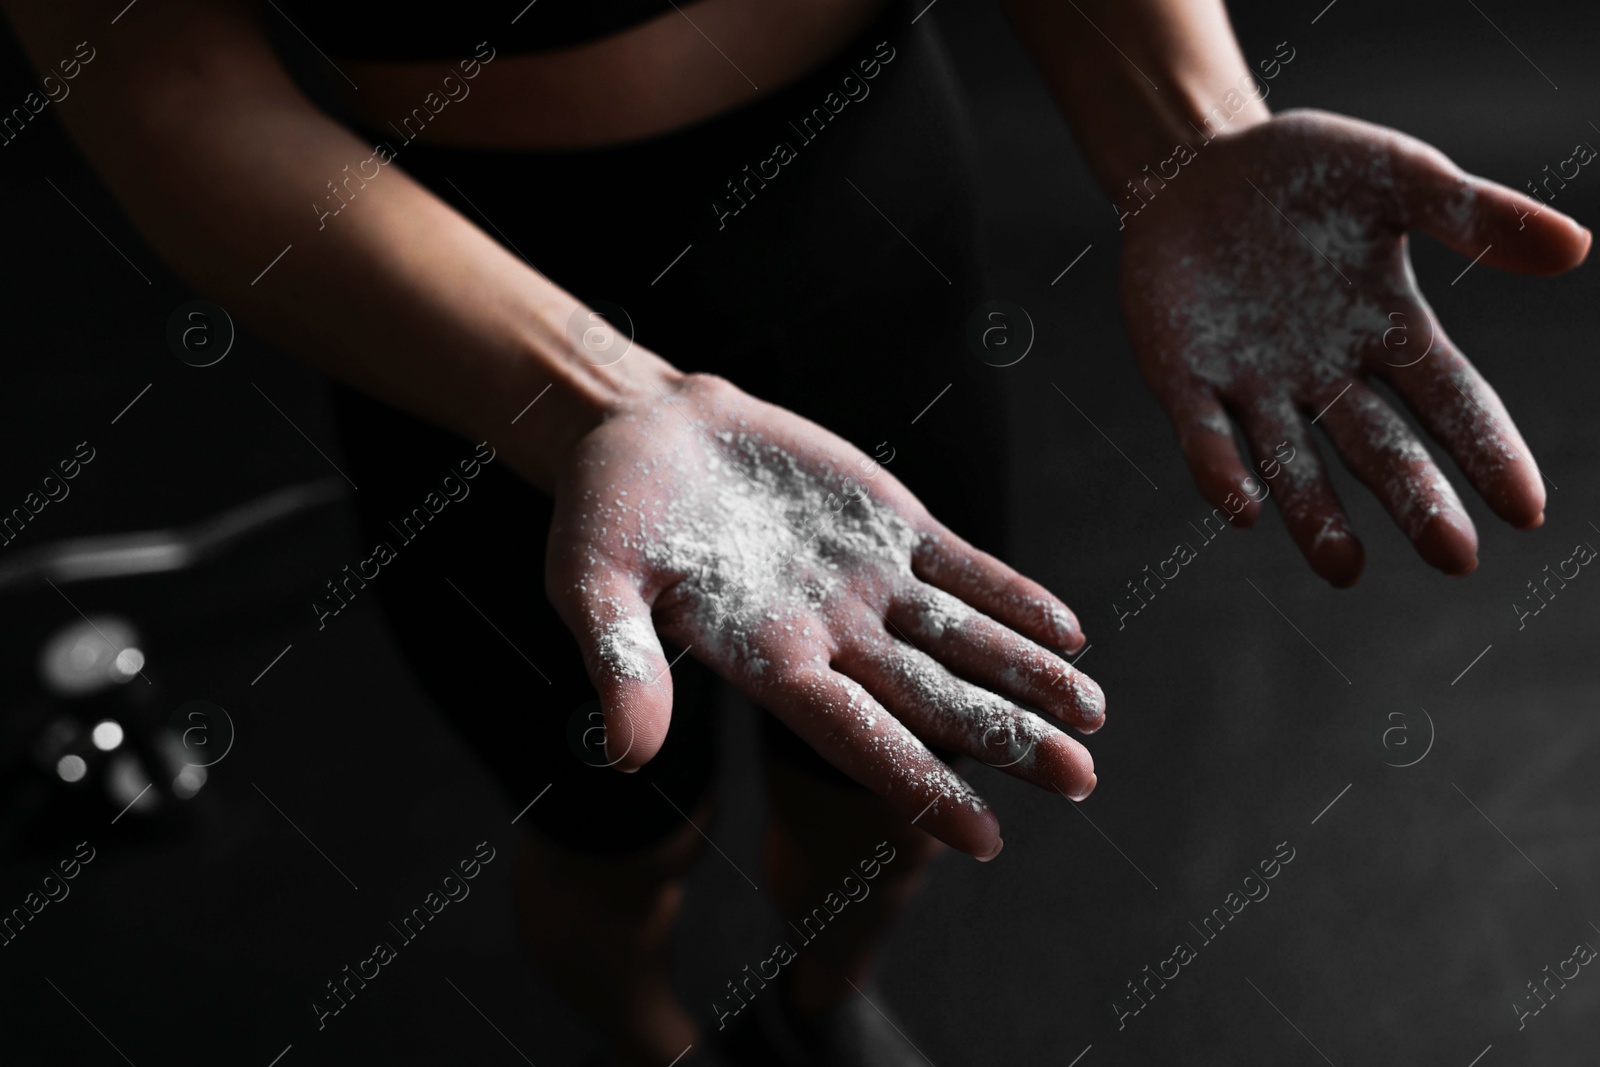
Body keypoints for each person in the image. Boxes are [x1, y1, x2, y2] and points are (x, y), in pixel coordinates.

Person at [4, 0, 1585, 1063]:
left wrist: (1195, 123)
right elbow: (167, 78)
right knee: (610, 826)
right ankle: (643, 1039)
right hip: (472, 328)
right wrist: (594, 402)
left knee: (889, 785)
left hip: (871, 245)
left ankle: (821, 1009)